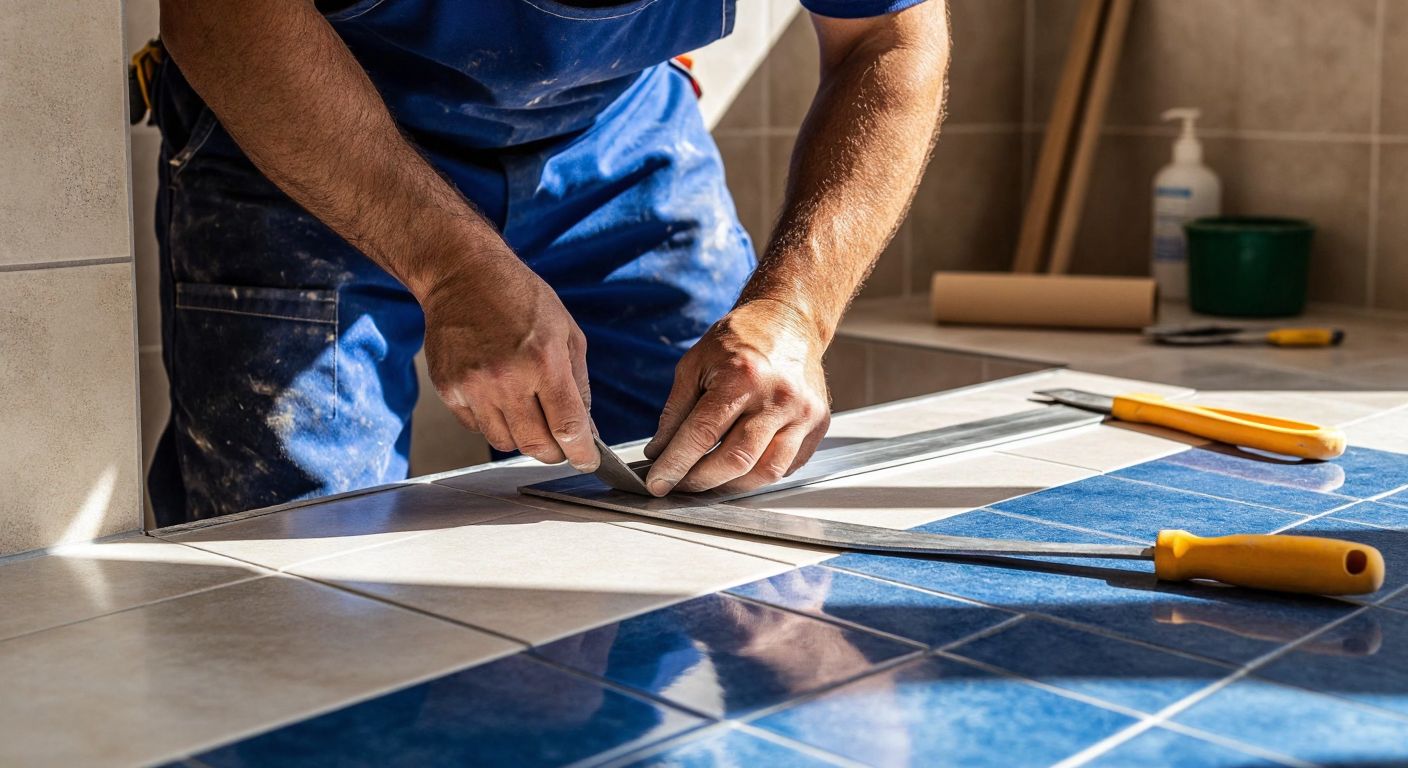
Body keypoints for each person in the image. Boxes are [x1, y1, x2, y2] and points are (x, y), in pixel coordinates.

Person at [147, 0, 950, 525]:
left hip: (612, 125)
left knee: (709, 489)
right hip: (310, 126)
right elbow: (225, 12)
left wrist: (797, 309)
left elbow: (887, 36)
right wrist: (452, 266)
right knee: (287, 564)